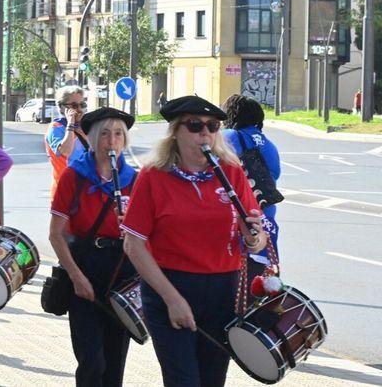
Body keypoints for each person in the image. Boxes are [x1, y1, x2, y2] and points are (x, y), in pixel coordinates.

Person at [122, 95, 266, 387]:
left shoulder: (231, 171)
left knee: (212, 380)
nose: (206, 134)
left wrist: (254, 238)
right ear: (176, 131)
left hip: (223, 290)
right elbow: (133, 245)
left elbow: (257, 239)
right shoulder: (153, 176)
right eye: (196, 126)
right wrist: (172, 299)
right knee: (183, 381)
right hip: (170, 287)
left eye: (213, 127)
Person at [48, 107, 138, 387]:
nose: (112, 142)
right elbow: (55, 234)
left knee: (115, 360)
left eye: (119, 135)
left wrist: (132, 225)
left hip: (121, 270)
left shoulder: (134, 180)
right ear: (94, 139)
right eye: (105, 135)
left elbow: (151, 235)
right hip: (84, 267)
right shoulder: (74, 177)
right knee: (91, 359)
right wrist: (76, 277)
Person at [221, 94, 281, 268]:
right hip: (266, 219)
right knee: (257, 285)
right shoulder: (270, 145)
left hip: (240, 219)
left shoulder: (229, 136)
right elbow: (274, 176)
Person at [47, 85, 88, 191]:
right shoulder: (56, 127)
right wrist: (70, 123)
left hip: (85, 188)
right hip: (64, 189)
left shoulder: (85, 127)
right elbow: (66, 151)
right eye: (74, 106)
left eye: (82, 105)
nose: (79, 109)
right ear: (62, 107)